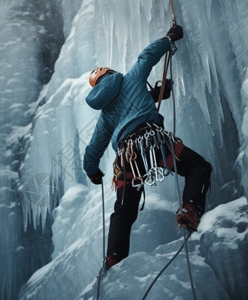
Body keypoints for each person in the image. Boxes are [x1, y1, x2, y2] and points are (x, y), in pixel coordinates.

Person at [83, 25, 212, 271]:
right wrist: (169, 38)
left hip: (128, 161)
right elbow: (147, 56)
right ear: (111, 73)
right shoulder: (130, 79)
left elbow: (93, 148)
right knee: (198, 167)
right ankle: (190, 209)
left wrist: (92, 170)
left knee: (123, 212)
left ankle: (113, 258)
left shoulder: (106, 116)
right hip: (154, 146)